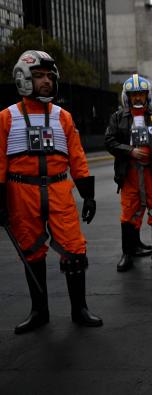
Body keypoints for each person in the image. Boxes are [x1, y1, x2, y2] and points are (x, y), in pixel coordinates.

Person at [0, 50, 102, 333]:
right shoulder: (6, 118)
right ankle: (39, 311)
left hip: (59, 188)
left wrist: (88, 193)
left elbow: (77, 158)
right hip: (21, 191)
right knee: (31, 251)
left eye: (50, 76)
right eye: (39, 76)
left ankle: (79, 309)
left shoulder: (63, 117)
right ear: (23, 79)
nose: (46, 81)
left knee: (73, 249)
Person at [105, 74, 152, 272]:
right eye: (134, 95)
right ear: (128, 96)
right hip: (130, 173)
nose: (138, 98)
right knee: (128, 213)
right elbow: (110, 142)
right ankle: (127, 253)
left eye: (141, 94)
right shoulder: (118, 117)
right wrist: (131, 151)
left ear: (147, 95)